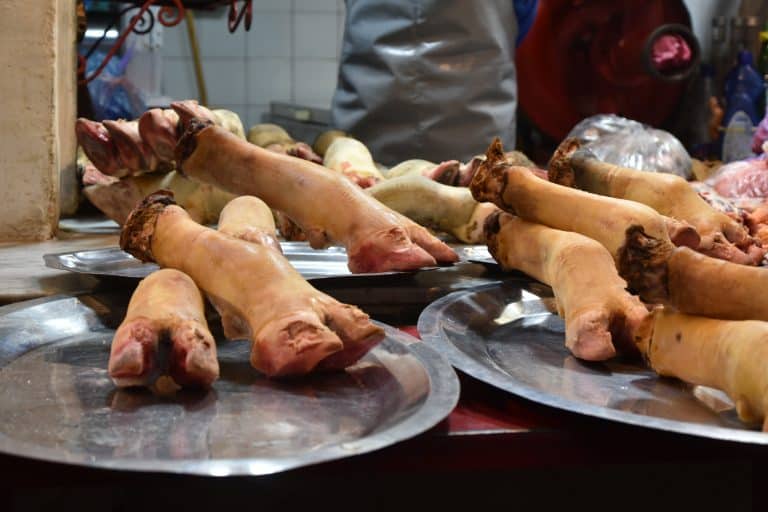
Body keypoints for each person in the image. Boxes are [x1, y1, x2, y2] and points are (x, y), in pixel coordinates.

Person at [331, 0, 538, 166]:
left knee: (356, 197)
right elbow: (521, 23)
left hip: (365, 144)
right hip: (476, 140)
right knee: (479, 200)